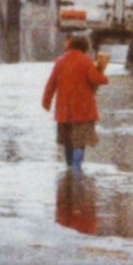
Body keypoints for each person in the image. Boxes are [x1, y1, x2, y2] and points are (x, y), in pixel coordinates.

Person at [41, 33, 110, 174]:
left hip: (64, 111)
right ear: (85, 47)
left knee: (68, 141)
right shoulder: (86, 61)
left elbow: (51, 84)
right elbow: (95, 79)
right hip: (83, 111)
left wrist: (46, 102)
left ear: (70, 45)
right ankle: (77, 168)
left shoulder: (60, 62)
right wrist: (104, 76)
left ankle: (69, 167)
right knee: (80, 141)